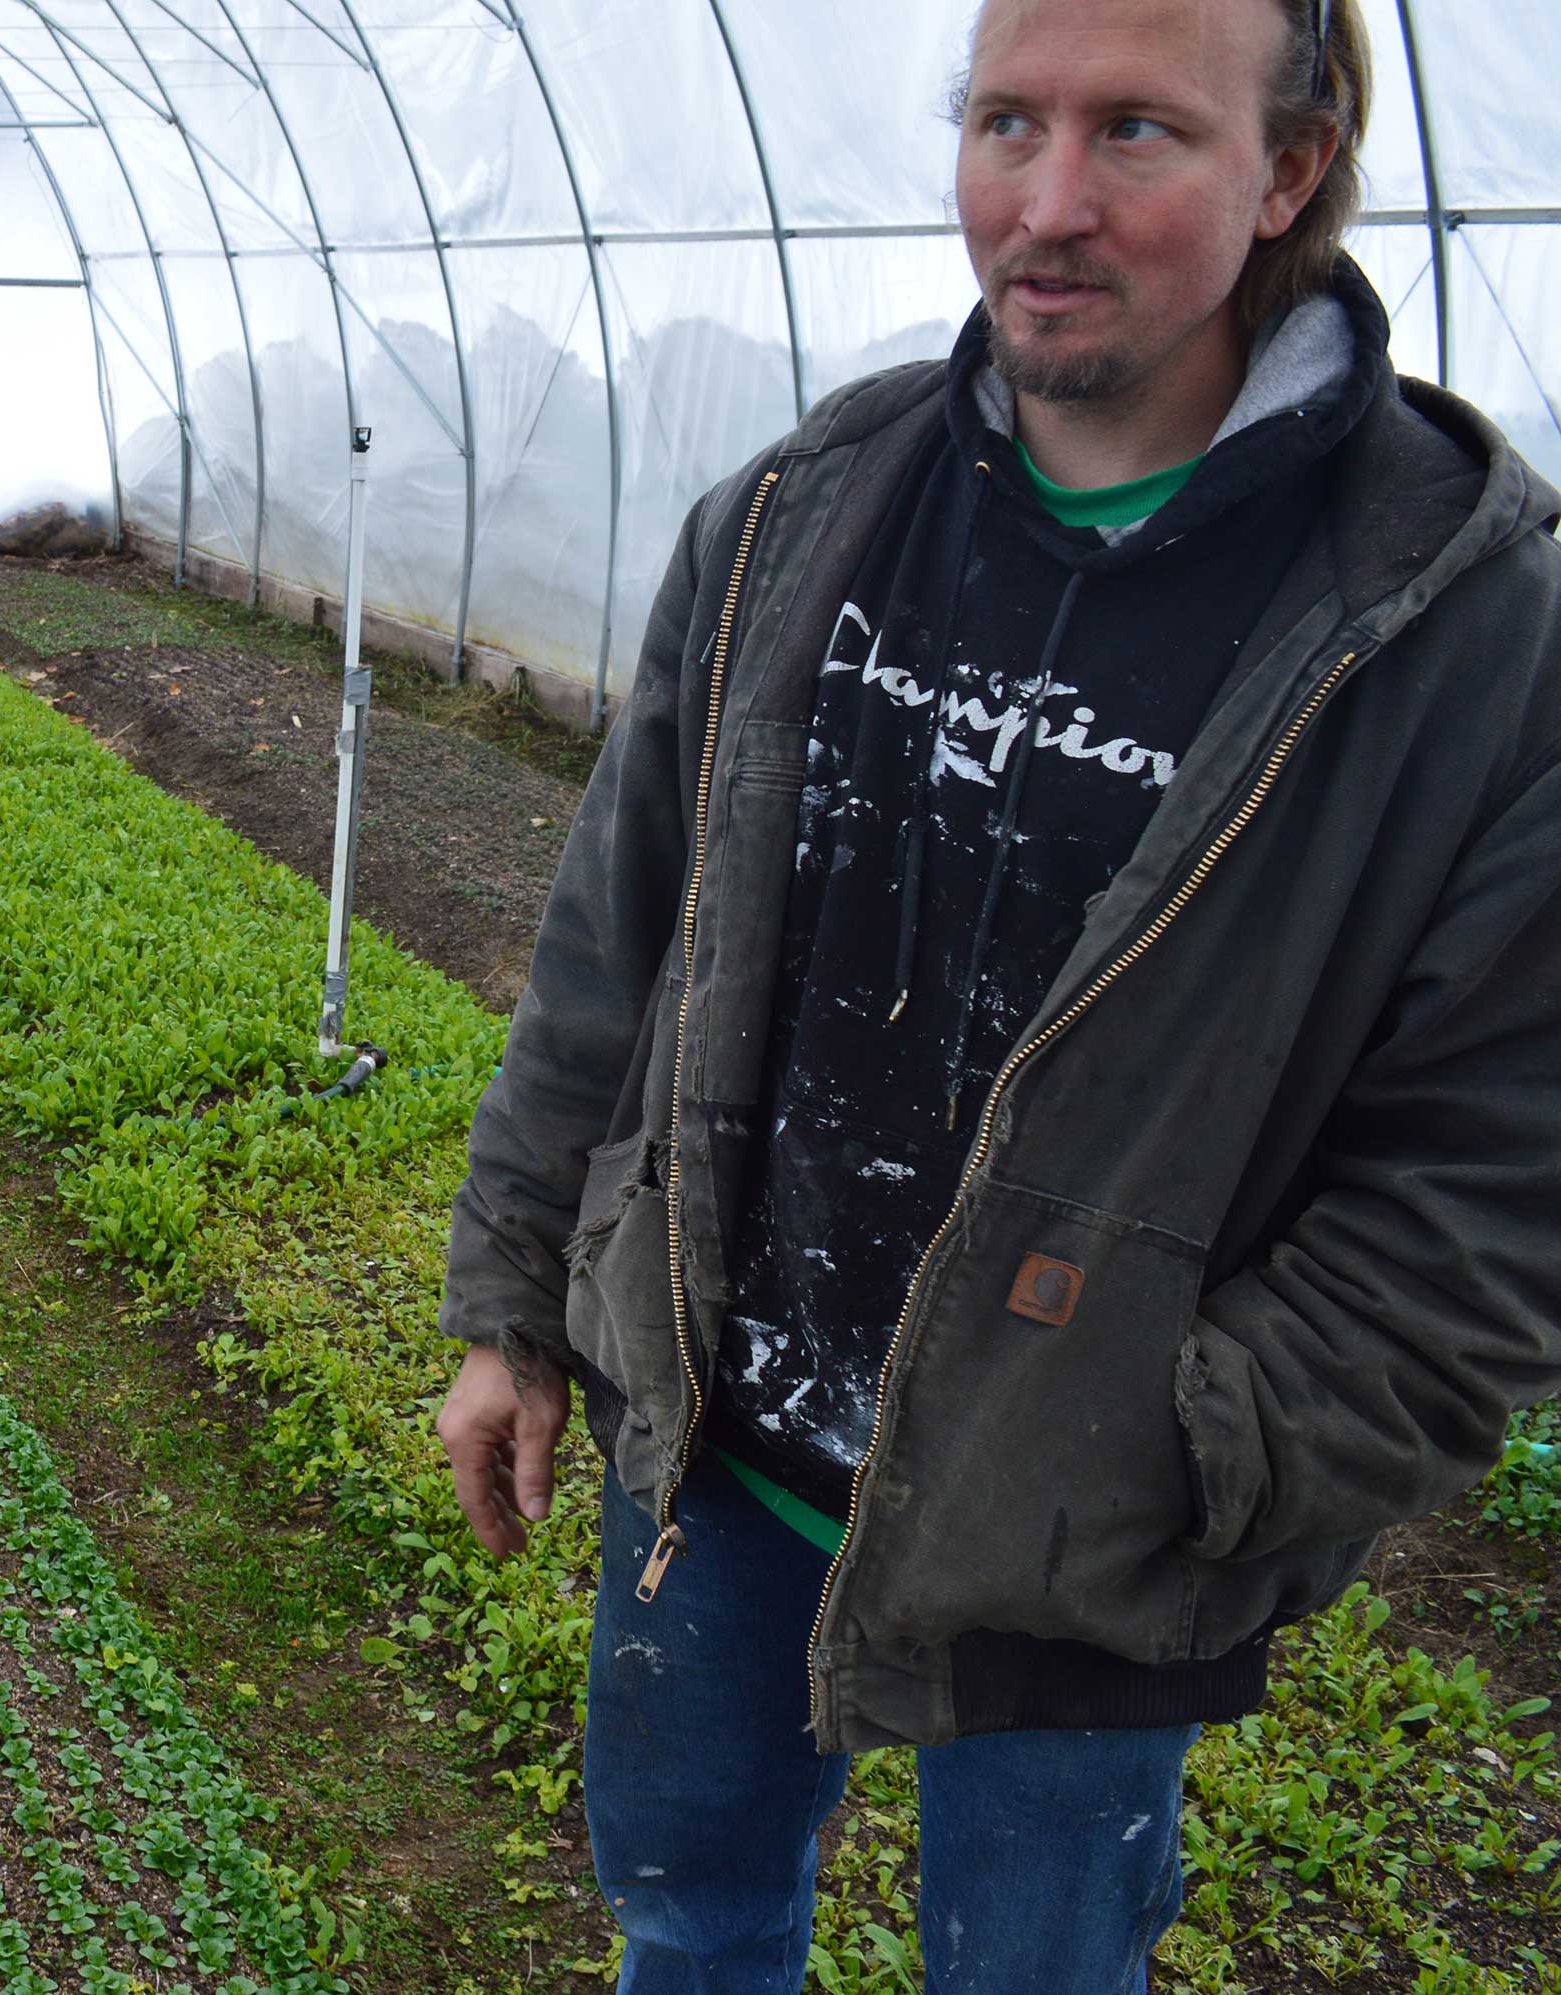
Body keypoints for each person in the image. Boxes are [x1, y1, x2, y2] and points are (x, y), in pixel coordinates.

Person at [433, 0, 1561, 1985]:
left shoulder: (1455, 638)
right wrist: (521, 1301)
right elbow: (618, 946)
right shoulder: (807, 509)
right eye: (1004, 122)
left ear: (1287, 170)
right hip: (720, 1446)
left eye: (1137, 133)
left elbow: (1497, 1174)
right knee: (690, 1915)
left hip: (1087, 1549)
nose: (1043, 204)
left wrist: (1201, 1448)